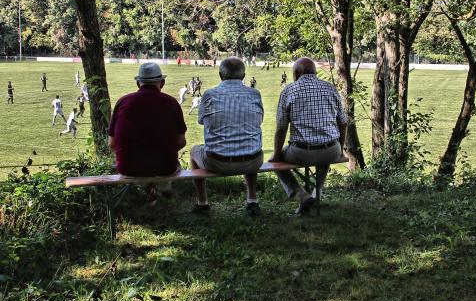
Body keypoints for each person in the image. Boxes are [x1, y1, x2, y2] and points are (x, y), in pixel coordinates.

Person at [270, 57, 347, 215]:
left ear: (297, 73)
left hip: (301, 153)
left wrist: (277, 154)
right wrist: (340, 149)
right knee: (324, 159)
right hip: (331, 149)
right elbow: (343, 122)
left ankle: (301, 195)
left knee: (276, 164)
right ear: (314, 72)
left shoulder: (289, 90)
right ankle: (314, 193)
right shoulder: (330, 88)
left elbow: (281, 127)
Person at [190, 57, 264, 216]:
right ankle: (252, 200)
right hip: (253, 160)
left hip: (217, 162)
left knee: (194, 151)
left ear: (220, 75)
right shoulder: (255, 94)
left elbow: (201, 120)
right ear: (243, 76)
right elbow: (260, 119)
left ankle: (202, 202)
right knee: (249, 142)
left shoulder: (209, 95)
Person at [108, 62, 187, 201]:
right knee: (159, 160)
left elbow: (111, 143)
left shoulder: (123, 102)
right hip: (165, 168)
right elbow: (181, 142)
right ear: (162, 83)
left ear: (138, 83)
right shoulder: (171, 102)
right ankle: (160, 189)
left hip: (128, 168)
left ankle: (151, 190)